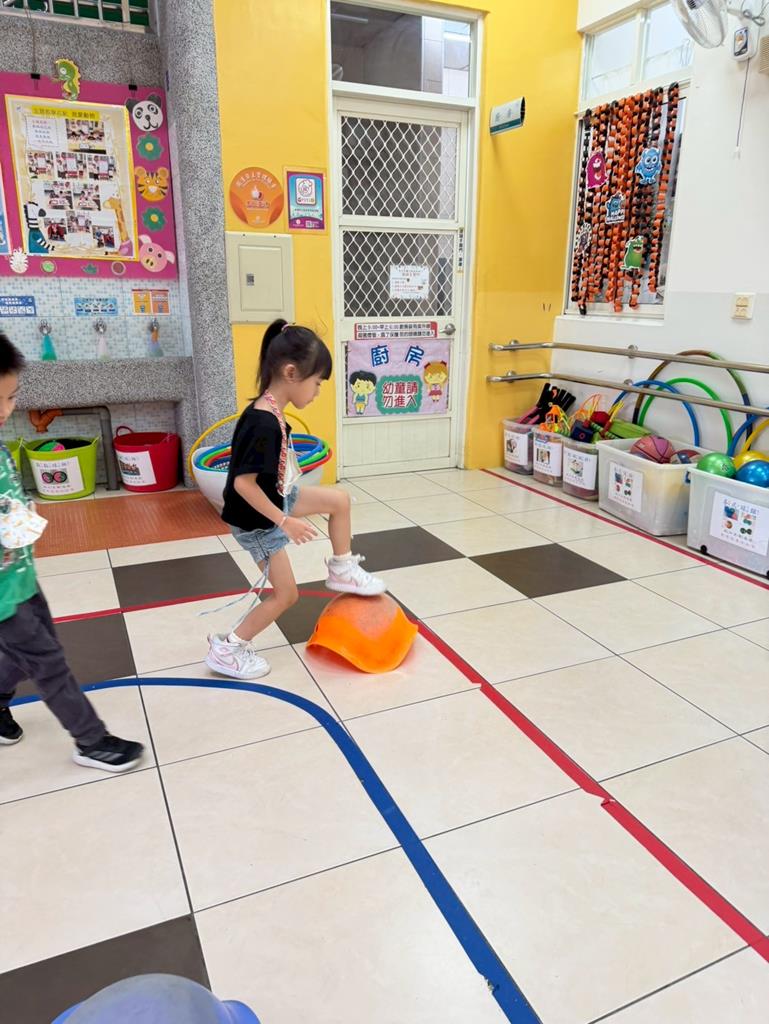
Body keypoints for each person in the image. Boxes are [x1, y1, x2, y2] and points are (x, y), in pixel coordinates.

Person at [207, 319, 386, 680]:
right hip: (257, 521)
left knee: (340, 500)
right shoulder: (263, 423)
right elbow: (243, 485)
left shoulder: (272, 410)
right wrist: (284, 521)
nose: (317, 392)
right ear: (291, 373)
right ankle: (228, 649)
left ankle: (342, 569)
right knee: (286, 595)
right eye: (317, 383)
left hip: (277, 500)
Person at [0, 332, 144, 771]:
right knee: (48, 662)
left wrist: (22, 516)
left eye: (11, 397)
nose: (6, 410)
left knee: (29, 651)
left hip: (20, 578)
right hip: (2, 595)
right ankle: (91, 741)